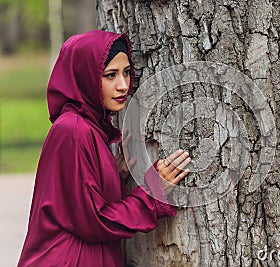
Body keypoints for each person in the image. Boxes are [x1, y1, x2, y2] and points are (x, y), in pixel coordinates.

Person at [18, 30, 191, 267]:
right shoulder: (74, 129)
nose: (123, 85)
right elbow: (94, 221)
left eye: (127, 72)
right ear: (84, 76)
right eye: (110, 75)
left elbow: (75, 200)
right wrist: (153, 193)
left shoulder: (87, 126)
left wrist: (113, 173)